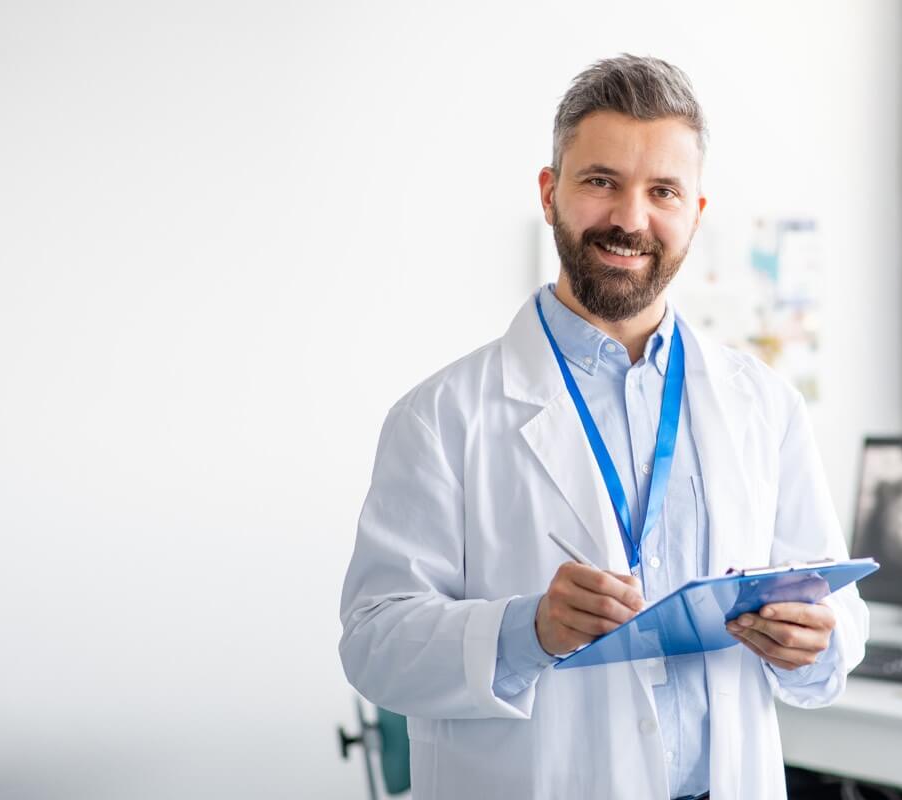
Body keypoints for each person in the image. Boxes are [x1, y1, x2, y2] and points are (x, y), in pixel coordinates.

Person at [339, 54, 868, 800]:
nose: (630, 218)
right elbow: (373, 645)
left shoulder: (764, 405)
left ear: (696, 213)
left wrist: (814, 643)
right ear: (551, 193)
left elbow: (837, 618)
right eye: (600, 182)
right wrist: (529, 630)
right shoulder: (440, 416)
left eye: (662, 191)